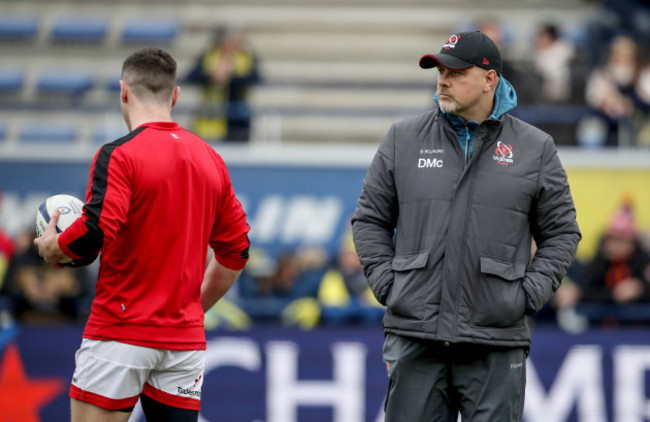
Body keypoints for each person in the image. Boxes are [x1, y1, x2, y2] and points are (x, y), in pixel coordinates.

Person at [351, 31, 581, 422]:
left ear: (490, 80)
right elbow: (369, 219)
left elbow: (562, 233)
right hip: (415, 337)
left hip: (496, 340)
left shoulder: (535, 148)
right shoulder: (402, 138)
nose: (443, 79)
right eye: (440, 70)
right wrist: (390, 285)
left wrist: (525, 297)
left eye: (455, 72)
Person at [34, 48, 250, 422]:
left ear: (123, 91)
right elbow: (236, 253)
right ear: (176, 95)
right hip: (183, 342)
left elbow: (93, 235)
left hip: (120, 330)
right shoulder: (210, 159)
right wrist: (193, 310)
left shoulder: (120, 154)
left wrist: (55, 248)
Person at [186, 26, 261, 143]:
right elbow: (189, 78)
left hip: (238, 119)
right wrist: (211, 75)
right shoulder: (208, 57)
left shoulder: (246, 57)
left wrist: (231, 76)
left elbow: (257, 79)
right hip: (210, 118)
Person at [581, 35, 650, 147]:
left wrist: (631, 102)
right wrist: (607, 102)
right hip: (606, 122)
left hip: (639, 121)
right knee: (591, 132)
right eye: (619, 54)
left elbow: (646, 99)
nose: (623, 58)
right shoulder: (601, 74)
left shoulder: (643, 73)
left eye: (627, 54)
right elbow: (593, 100)